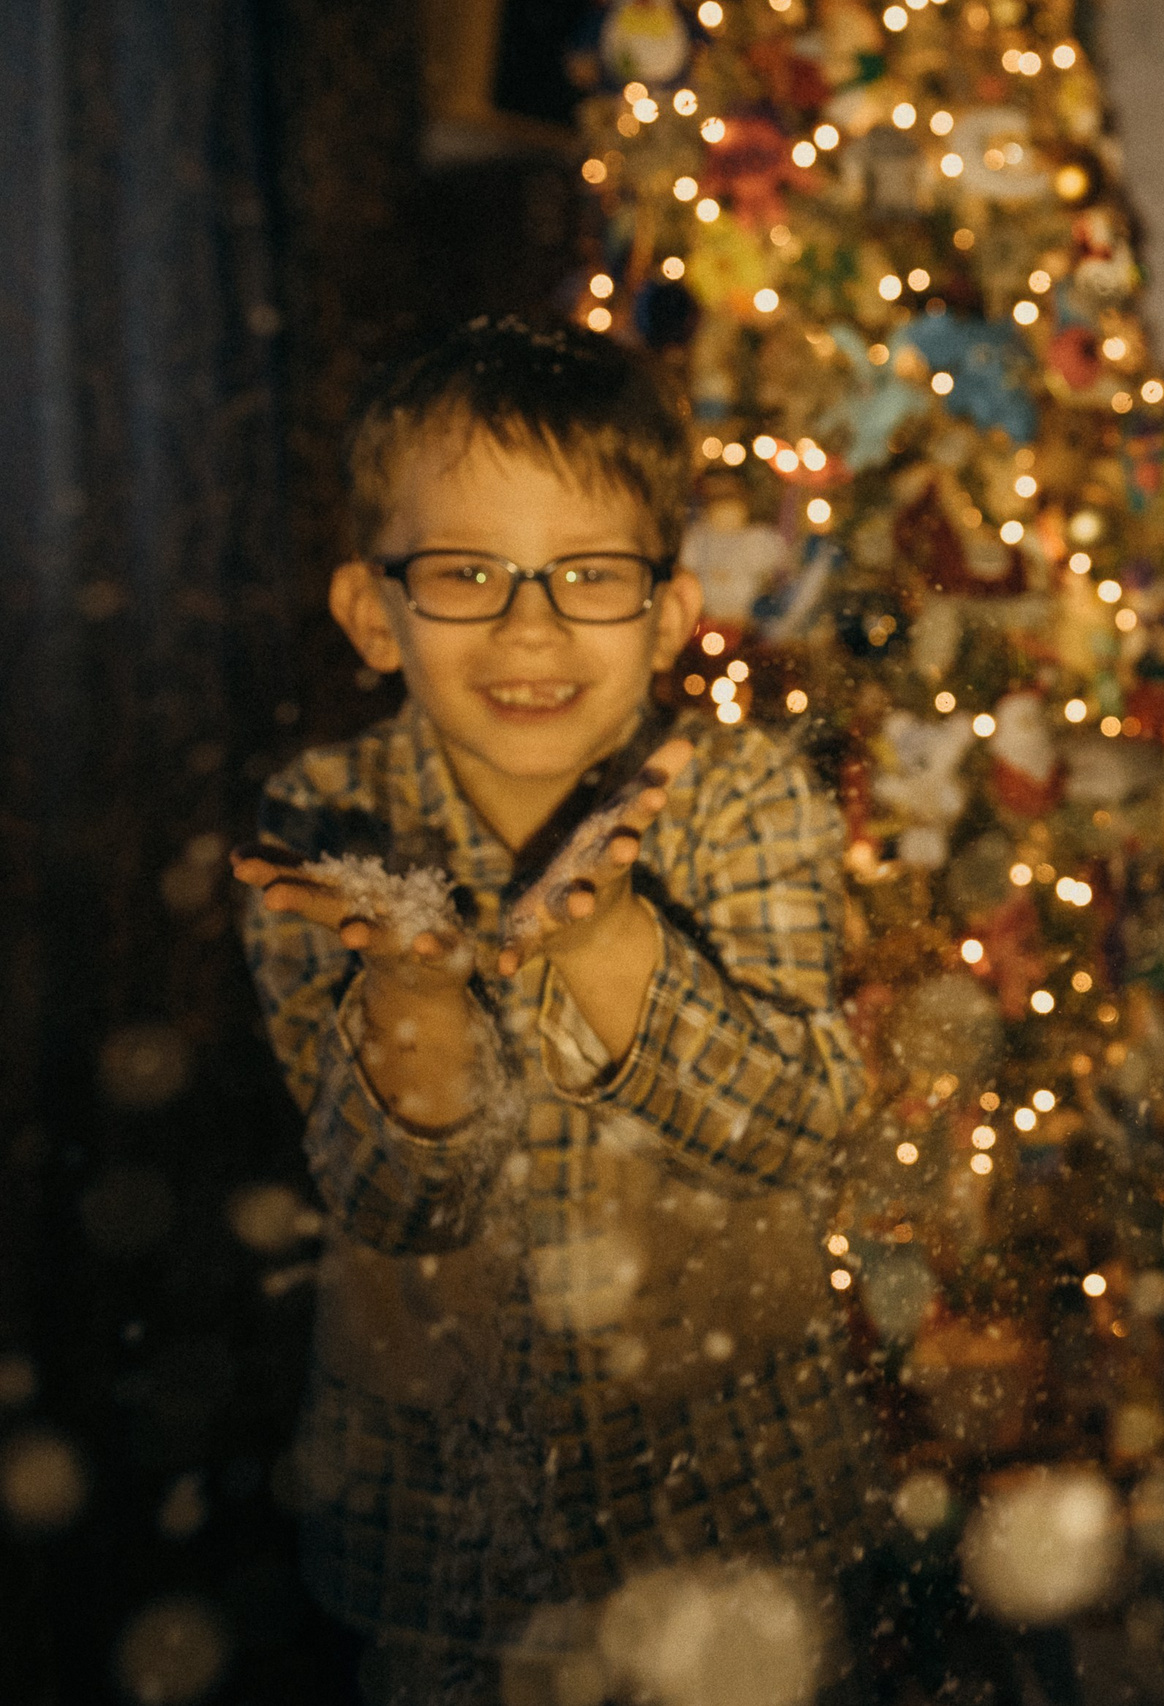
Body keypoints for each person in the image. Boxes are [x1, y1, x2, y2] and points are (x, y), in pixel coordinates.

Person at [232, 319, 878, 1704]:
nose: (530, 629)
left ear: (669, 609)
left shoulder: (750, 796)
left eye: (587, 576)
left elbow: (804, 1122)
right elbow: (390, 1203)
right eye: (466, 574)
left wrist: (620, 951)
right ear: (370, 610)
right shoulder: (323, 830)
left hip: (729, 1509)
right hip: (449, 1540)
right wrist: (416, 1022)